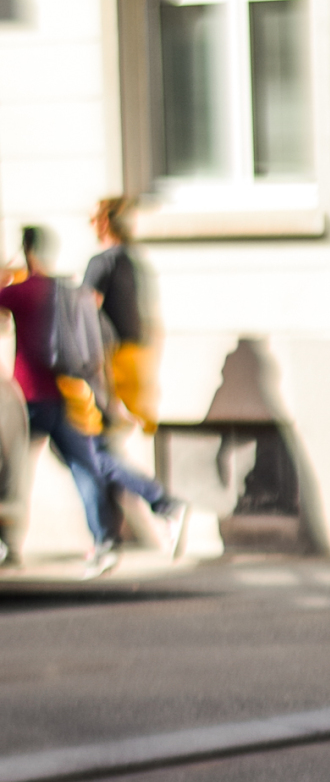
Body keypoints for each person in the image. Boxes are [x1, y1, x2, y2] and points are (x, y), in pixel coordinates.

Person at [0, 226, 119, 576]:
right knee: (82, 466)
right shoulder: (61, 289)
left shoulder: (22, 291)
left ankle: (7, 543)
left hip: (27, 399)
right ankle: (104, 540)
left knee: (10, 473)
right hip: (60, 391)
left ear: (27, 252)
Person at [83, 197, 186, 558]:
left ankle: (162, 505)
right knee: (96, 452)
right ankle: (107, 535)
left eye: (93, 220)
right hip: (135, 365)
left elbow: (86, 320)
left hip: (108, 369)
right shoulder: (133, 263)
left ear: (104, 224)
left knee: (92, 452)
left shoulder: (101, 263)